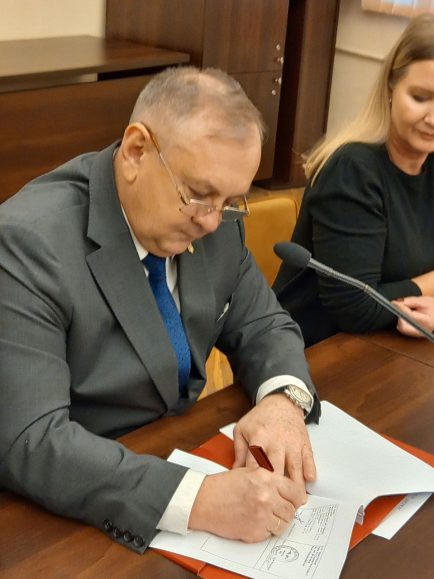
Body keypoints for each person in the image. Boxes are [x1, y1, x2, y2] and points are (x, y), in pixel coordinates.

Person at [0, 66, 320, 553]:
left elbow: (264, 324)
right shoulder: (28, 243)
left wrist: (282, 402)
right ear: (136, 151)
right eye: (198, 195)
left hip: (174, 447)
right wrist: (199, 500)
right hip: (69, 514)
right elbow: (33, 440)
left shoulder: (215, 218)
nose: (212, 222)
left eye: (230, 201)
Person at [273, 14, 434, 347]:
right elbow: (355, 307)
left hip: (391, 344)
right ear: (391, 88)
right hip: (315, 352)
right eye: (420, 98)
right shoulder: (351, 170)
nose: (432, 118)